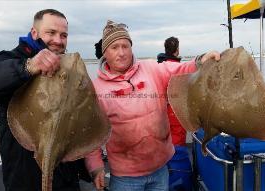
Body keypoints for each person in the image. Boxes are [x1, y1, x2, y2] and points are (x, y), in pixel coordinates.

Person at [85, 20, 220, 191]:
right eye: (115, 47)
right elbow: (91, 135)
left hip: (160, 170)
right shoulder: (97, 88)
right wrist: (96, 167)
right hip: (125, 178)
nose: (121, 53)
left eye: (125, 46)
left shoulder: (150, 68)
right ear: (105, 52)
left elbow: (177, 69)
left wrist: (200, 61)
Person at [0, 9, 90, 191]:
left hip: (67, 178)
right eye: (51, 33)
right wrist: (28, 67)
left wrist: (87, 168)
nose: (58, 40)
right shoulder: (12, 60)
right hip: (25, 180)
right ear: (34, 33)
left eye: (64, 35)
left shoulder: (68, 69)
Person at [157, 36, 193, 191]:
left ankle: (164, 180)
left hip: (161, 113)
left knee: (162, 146)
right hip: (176, 112)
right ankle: (178, 181)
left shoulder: (159, 68)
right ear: (177, 50)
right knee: (177, 147)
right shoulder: (182, 69)